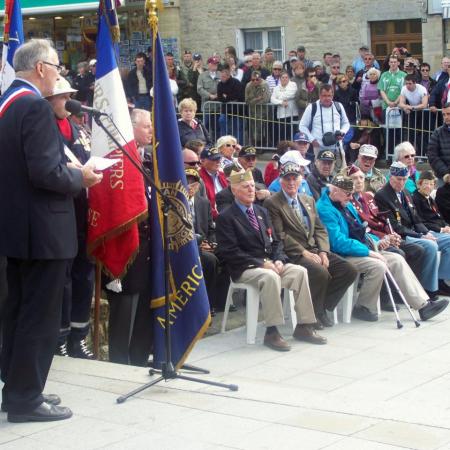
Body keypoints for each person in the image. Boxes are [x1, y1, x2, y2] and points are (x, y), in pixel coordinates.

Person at [0, 39, 102, 423]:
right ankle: (26, 398)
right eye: (57, 67)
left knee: (18, 312)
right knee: (39, 317)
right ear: (41, 67)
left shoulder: (7, 102)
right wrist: (81, 177)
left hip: (17, 228)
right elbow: (46, 172)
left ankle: (17, 388)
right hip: (43, 229)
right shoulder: (34, 107)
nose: (61, 74)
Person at [215, 169, 327, 351]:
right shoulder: (226, 217)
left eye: (252, 185)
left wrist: (279, 259)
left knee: (300, 272)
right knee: (270, 277)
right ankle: (272, 331)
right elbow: (230, 252)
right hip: (244, 268)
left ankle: (305, 326)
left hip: (269, 263)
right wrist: (262, 263)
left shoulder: (261, 211)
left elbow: (276, 241)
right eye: (245, 187)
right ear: (234, 191)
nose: (251, 190)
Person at [317, 175, 448, 322]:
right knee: (378, 265)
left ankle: (423, 306)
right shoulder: (325, 209)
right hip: (342, 254)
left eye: (352, 193)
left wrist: (378, 241)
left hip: (359, 248)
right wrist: (369, 252)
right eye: (348, 194)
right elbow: (338, 242)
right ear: (334, 191)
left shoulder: (343, 203)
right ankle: (364, 307)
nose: (350, 197)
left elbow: (361, 230)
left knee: (397, 259)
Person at [265, 162, 357, 327]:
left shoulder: (308, 200)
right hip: (294, 253)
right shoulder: (273, 203)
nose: (291, 182)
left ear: (301, 180)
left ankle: (320, 307)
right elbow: (280, 235)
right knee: (320, 272)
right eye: (287, 178)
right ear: (280, 181)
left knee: (348, 270)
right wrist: (304, 252)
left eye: (295, 178)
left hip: (315, 249)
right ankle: (312, 314)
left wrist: (323, 251)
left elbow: (320, 229)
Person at [45, 78, 95, 359]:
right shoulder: (45, 127)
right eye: (62, 96)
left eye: (69, 96)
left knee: (83, 274)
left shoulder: (77, 127)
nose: (68, 101)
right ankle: (60, 337)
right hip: (61, 209)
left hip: (83, 209)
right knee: (62, 278)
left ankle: (78, 336)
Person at [105, 108, 153, 367]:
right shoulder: (119, 159)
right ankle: (119, 362)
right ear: (131, 127)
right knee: (125, 309)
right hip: (125, 245)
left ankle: (138, 357)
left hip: (147, 247)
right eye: (147, 127)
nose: (151, 131)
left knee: (143, 307)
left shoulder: (147, 160)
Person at [375, 162, 450, 298]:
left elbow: (416, 219)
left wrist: (426, 232)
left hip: (416, 232)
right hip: (402, 235)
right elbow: (395, 226)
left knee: (447, 240)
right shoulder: (382, 195)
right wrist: (421, 235)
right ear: (390, 177)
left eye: (405, 179)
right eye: (399, 179)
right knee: (431, 246)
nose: (402, 182)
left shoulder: (406, 192)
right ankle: (429, 289)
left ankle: (440, 280)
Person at [185, 168, 219, 315]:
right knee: (208, 261)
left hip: (203, 243)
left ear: (198, 186)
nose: (190, 186)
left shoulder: (203, 202)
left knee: (215, 258)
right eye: (186, 181)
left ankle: (209, 302)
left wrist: (212, 243)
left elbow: (211, 228)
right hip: (186, 246)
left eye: (193, 183)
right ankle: (199, 306)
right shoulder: (176, 201)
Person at [299, 84, 350, 162]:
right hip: (318, 147)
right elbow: (302, 126)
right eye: (324, 95)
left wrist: (342, 132)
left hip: (336, 146)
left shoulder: (338, 106)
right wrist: (312, 140)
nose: (327, 98)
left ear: (333, 96)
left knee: (340, 172)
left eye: (329, 95)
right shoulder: (312, 107)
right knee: (318, 171)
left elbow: (346, 123)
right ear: (319, 96)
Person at [216, 64, 244, 142]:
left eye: (223, 77)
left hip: (237, 110)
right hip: (225, 110)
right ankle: (223, 143)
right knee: (221, 121)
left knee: (237, 128)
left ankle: (238, 145)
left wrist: (227, 97)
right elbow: (220, 97)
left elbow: (239, 96)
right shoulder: (220, 84)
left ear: (228, 76)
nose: (221, 78)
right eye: (221, 77)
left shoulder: (236, 83)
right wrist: (228, 98)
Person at [199, 146, 228, 219]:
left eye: (219, 158)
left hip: (227, 214)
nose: (218, 161)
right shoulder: (198, 178)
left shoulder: (223, 175)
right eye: (214, 159)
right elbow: (203, 206)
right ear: (202, 161)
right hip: (212, 218)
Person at [197, 56, 221, 139]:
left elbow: (224, 86)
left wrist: (219, 94)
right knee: (205, 127)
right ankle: (206, 144)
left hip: (218, 107)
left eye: (216, 64)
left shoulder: (220, 75)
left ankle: (217, 144)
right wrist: (209, 95)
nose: (215, 65)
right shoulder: (202, 75)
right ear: (209, 64)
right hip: (207, 107)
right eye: (213, 64)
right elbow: (199, 89)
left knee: (217, 127)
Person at [245, 71, 271, 147]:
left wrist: (253, 100)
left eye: (257, 79)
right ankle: (255, 146)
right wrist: (257, 99)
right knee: (253, 131)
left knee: (262, 131)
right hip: (252, 112)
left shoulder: (264, 85)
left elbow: (265, 99)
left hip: (263, 112)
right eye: (253, 80)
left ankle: (262, 146)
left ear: (260, 79)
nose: (255, 81)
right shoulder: (248, 85)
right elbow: (247, 101)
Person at [271, 71, 298, 142]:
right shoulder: (276, 87)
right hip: (281, 115)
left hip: (292, 114)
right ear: (280, 78)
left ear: (289, 78)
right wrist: (281, 102)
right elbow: (272, 99)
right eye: (283, 77)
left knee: (292, 134)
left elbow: (291, 94)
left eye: (286, 77)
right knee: (283, 135)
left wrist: (279, 96)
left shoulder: (293, 84)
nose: (284, 79)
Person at [427, 102, 450, 186]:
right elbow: (432, 156)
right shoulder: (437, 133)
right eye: (444, 115)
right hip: (443, 178)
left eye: (448, 114)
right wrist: (446, 173)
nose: (446, 117)